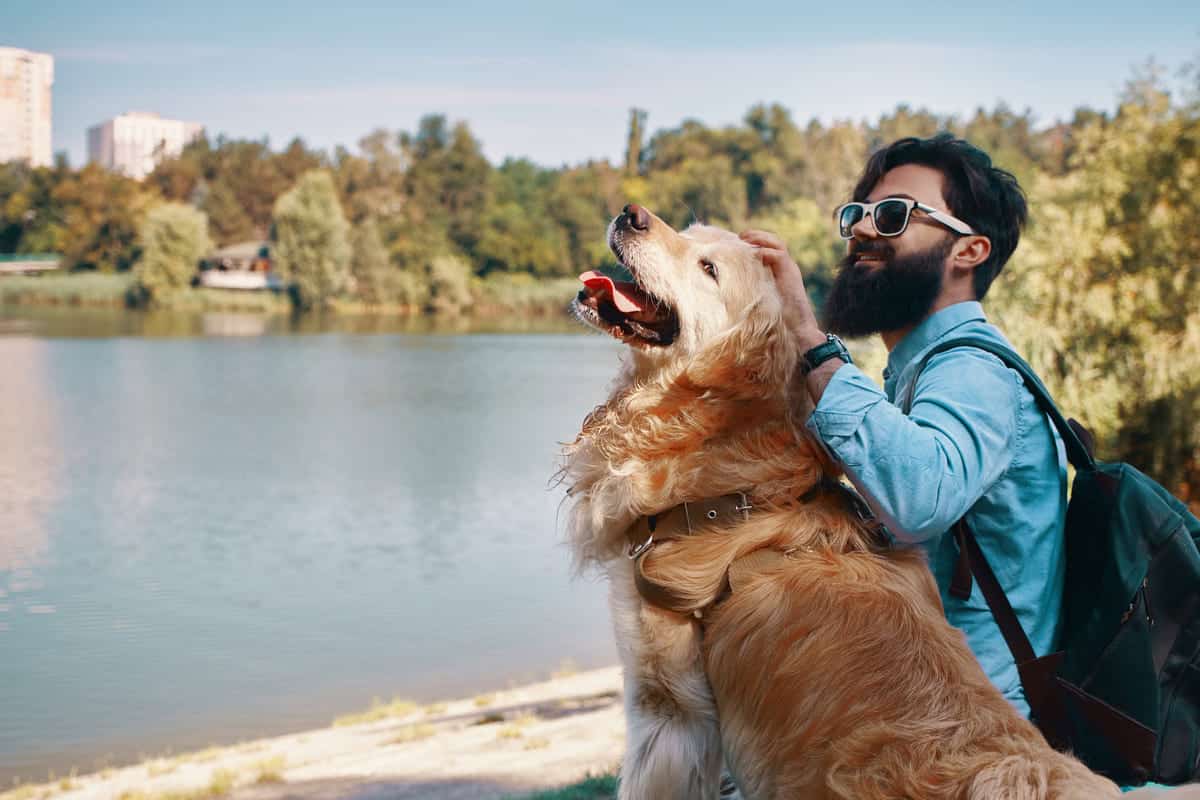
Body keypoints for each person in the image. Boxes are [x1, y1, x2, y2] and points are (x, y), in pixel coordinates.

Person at [740, 134, 1059, 718]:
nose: (862, 229)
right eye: (857, 215)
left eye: (893, 216)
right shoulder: (922, 372)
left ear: (969, 251)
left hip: (975, 728)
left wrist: (810, 341)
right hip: (928, 708)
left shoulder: (974, 371)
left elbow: (917, 499)